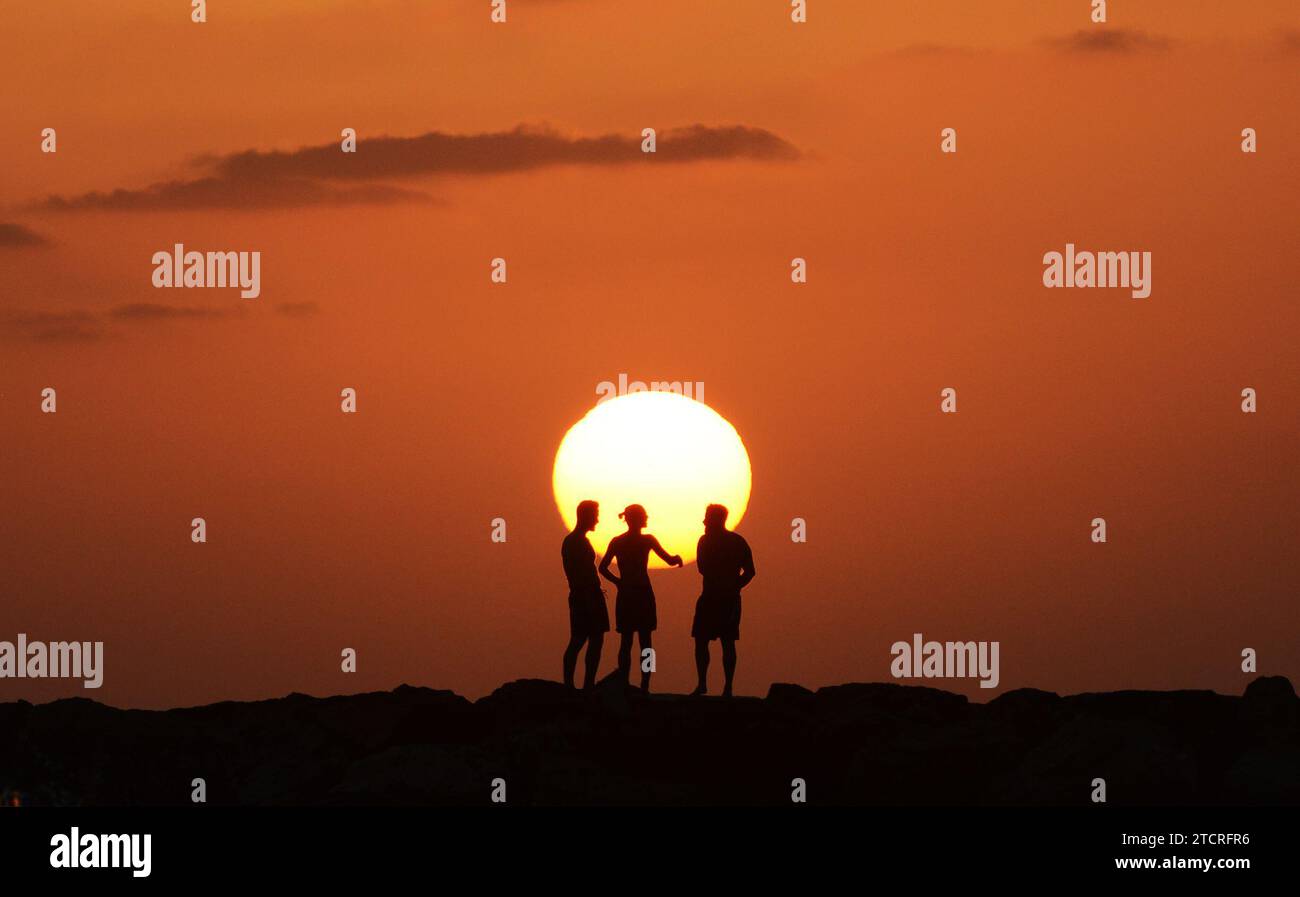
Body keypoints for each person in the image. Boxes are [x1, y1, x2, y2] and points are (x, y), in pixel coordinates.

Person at [598, 504, 682, 692]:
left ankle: (624, 681)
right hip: (643, 593)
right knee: (646, 642)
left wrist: (618, 582)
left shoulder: (617, 541)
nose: (646, 518)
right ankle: (645, 684)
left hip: (626, 593)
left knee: (626, 641)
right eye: (643, 516)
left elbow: (602, 568)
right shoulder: (648, 540)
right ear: (636, 519)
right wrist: (678, 559)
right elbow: (669, 560)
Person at [691, 504, 755, 697]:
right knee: (715, 641)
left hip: (717, 598)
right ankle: (717, 686)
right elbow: (750, 572)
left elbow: (703, 568)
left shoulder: (708, 541)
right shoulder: (736, 541)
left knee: (717, 641)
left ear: (716, 520)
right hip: (718, 598)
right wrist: (735, 586)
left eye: (707, 518)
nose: (704, 522)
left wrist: (733, 587)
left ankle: (719, 686)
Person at [561, 500, 609, 689]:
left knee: (595, 639)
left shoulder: (582, 540)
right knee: (579, 639)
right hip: (584, 596)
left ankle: (587, 683)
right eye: (595, 515)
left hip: (591, 595)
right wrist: (587, 597)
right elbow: (574, 572)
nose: (597, 519)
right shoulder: (573, 542)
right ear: (585, 516)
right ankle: (570, 685)